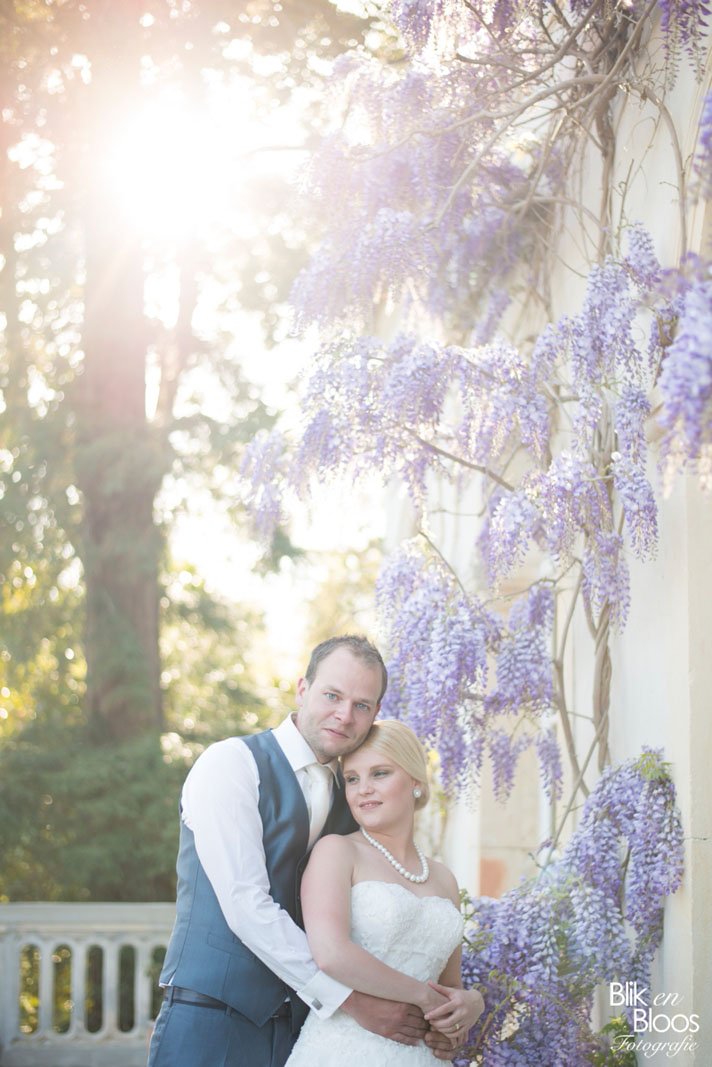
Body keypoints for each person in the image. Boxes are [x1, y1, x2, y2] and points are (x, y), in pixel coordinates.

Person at [147, 634, 465, 1067]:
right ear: (302, 688)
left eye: (362, 705)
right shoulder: (232, 764)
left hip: (308, 1030)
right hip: (215, 1020)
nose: (344, 715)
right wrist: (350, 1000)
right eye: (332, 695)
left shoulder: (351, 801)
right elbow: (246, 903)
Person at [284, 718, 485, 1065]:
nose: (363, 789)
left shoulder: (444, 878)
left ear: (415, 782)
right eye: (352, 779)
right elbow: (331, 954)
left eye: (379, 773)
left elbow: (449, 984)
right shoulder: (337, 851)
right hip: (345, 1050)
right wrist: (422, 997)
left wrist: (470, 1004)